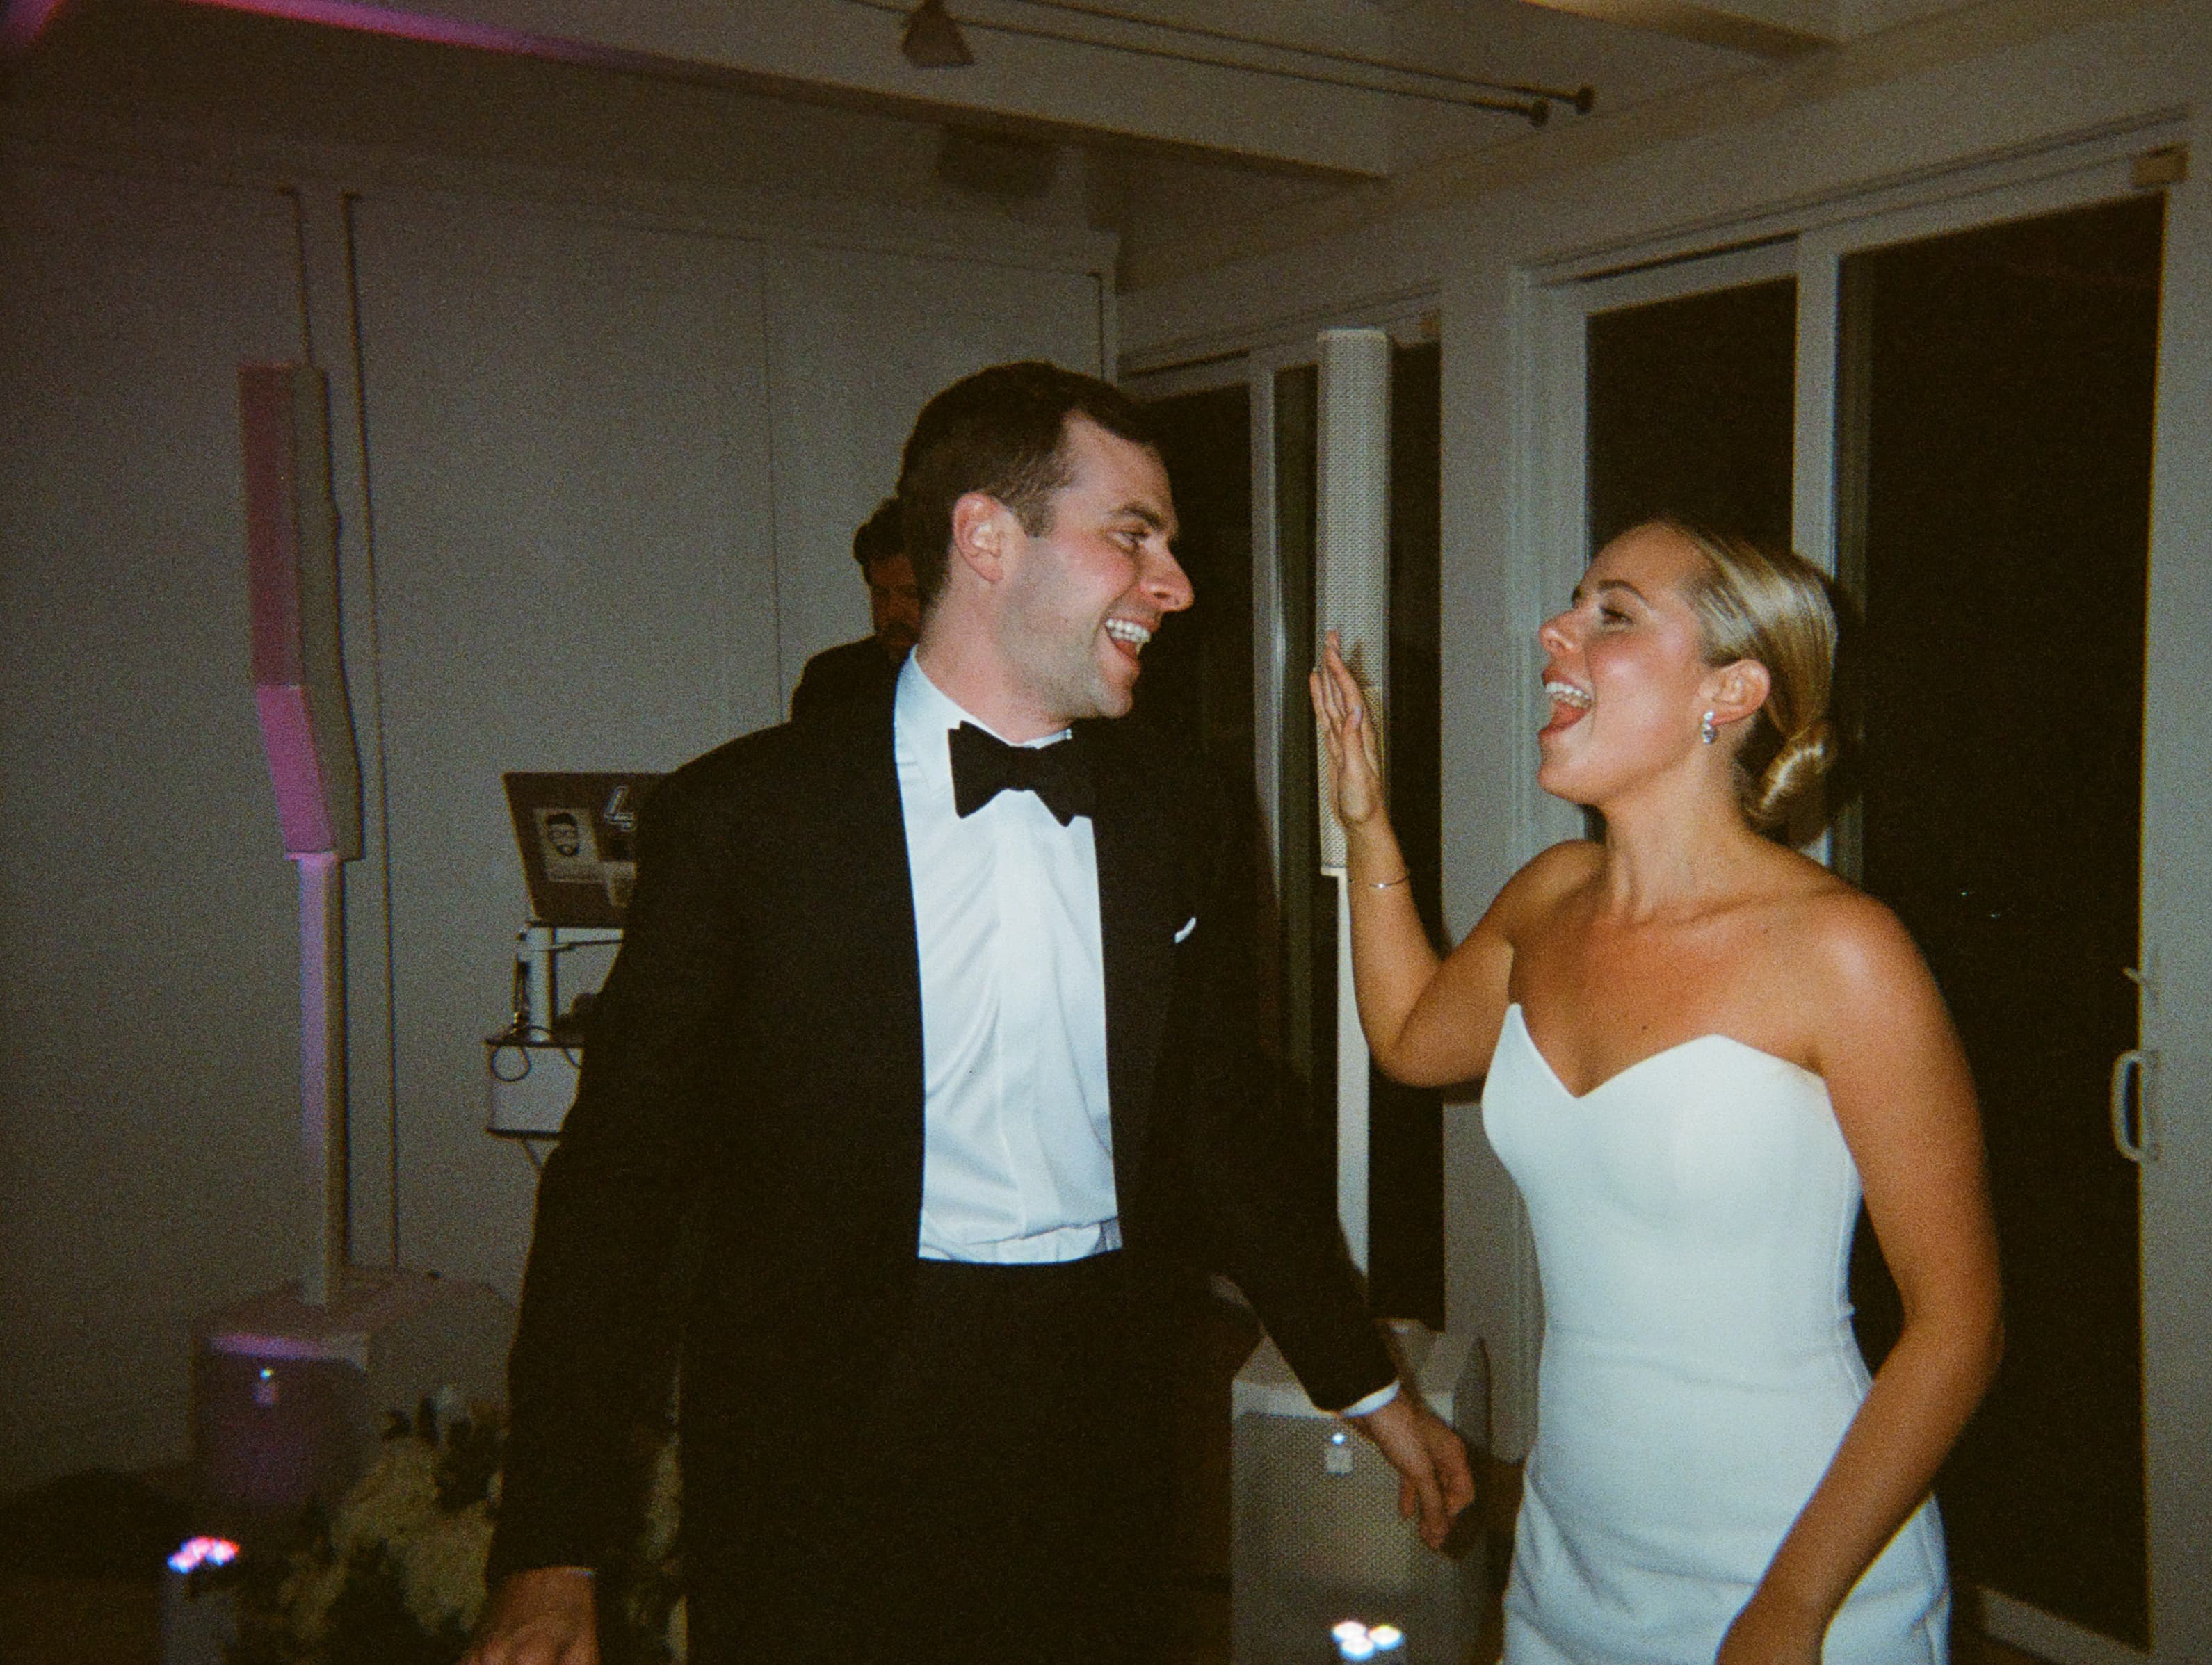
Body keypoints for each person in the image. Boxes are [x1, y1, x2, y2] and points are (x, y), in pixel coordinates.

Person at [466, 362, 1471, 1665]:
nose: (1174, 585)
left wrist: (1367, 1382)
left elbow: (1221, 1124)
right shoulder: (743, 822)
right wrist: (553, 1539)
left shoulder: (1182, 810)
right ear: (985, 538)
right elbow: (617, 1187)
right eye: (1133, 536)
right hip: (819, 1422)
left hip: (1097, 1400)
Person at [1310, 519, 2001, 1665]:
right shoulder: (1549, 897)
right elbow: (1414, 1042)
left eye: (1611, 613)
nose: (1555, 630)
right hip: (1572, 1557)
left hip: (1802, 1572)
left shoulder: (1839, 950)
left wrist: (1789, 1610)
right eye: (1572, 602)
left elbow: (1957, 1327)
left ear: (1727, 691)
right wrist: (1363, 822)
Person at [790, 497, 918, 721]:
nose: (893, 611)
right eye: (881, 594)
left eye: (911, 595)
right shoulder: (832, 681)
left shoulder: (981, 677)